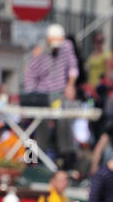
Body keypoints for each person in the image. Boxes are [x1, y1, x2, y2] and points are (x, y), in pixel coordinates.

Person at [21, 23, 80, 164]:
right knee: (39, 125)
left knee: (64, 120)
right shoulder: (40, 51)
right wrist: (32, 95)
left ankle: (66, 157)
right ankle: (34, 160)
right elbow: (30, 74)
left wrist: (71, 85)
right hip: (41, 94)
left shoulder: (66, 47)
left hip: (59, 93)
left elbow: (73, 66)